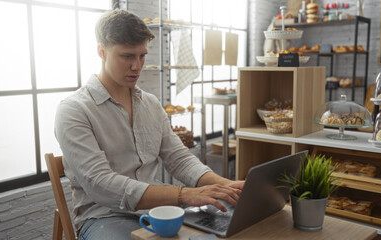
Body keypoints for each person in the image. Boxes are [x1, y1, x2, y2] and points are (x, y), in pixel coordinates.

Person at [54, 9, 244, 240]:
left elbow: (179, 159)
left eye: (142, 56)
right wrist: (185, 195)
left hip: (159, 211)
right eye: (127, 56)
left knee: (228, 230)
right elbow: (101, 184)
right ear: (101, 52)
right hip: (105, 218)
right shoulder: (74, 110)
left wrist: (227, 186)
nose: (137, 66)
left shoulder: (150, 104)